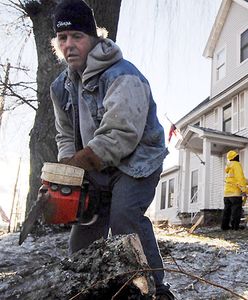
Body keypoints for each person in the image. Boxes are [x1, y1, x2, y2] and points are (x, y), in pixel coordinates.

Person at [50, 0, 174, 299]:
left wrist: (78, 163)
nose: (69, 45)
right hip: (96, 164)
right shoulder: (60, 87)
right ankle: (85, 288)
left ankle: (155, 290)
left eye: (77, 36)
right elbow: (64, 134)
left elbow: (121, 133)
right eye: (63, 38)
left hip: (137, 160)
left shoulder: (122, 74)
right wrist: (65, 169)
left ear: (94, 38)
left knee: (124, 219)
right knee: (85, 224)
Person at [221, 150, 247, 231]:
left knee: (227, 211)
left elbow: (235, 179)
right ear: (234, 157)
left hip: (227, 194)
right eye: (237, 156)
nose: (238, 157)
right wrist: (244, 190)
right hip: (235, 193)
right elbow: (239, 179)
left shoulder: (228, 167)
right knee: (236, 211)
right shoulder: (236, 164)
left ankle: (224, 227)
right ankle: (235, 227)